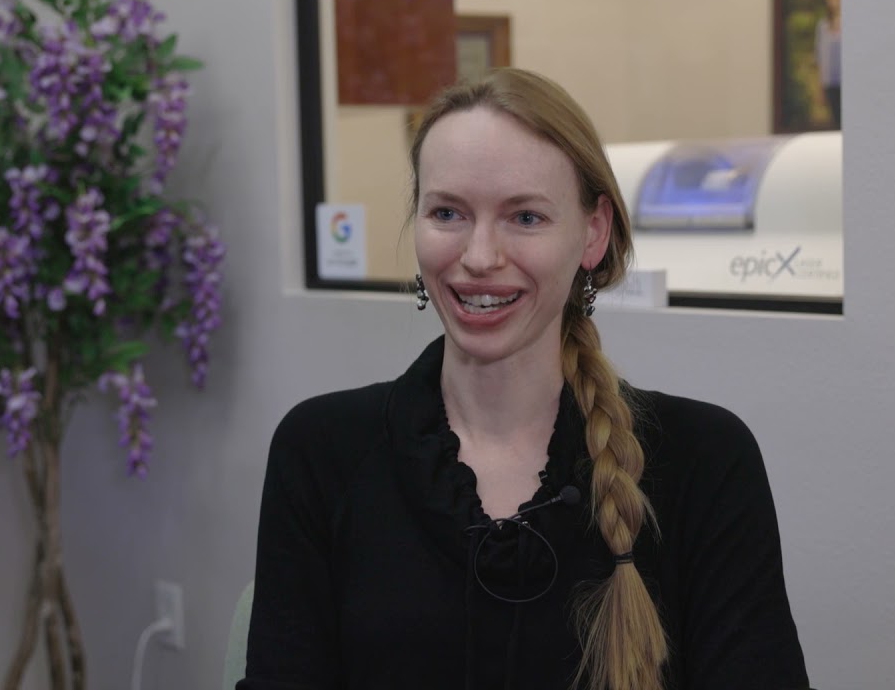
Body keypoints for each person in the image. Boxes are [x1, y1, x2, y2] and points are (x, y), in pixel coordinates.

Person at [240, 68, 810, 690]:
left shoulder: (706, 460)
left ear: (593, 233)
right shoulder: (322, 451)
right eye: (448, 212)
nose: (480, 256)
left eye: (526, 218)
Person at [813, 0, 842, 128]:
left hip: (847, 84)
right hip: (830, 84)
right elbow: (820, 58)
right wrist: (820, 88)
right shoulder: (823, 27)